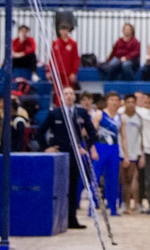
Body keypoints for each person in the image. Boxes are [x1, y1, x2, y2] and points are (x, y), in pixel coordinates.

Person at [36, 86, 97, 229]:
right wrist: (46, 148)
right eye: (66, 94)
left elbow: (92, 133)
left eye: (71, 94)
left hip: (74, 155)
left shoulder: (81, 113)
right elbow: (40, 132)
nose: (69, 96)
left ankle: (72, 219)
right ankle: (55, 218)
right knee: (57, 186)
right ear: (61, 97)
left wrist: (84, 147)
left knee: (73, 186)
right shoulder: (55, 113)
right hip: (59, 155)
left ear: (75, 97)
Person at [94, 92, 123, 216]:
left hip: (114, 149)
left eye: (116, 100)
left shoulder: (121, 117)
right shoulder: (100, 114)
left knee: (113, 179)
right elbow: (92, 134)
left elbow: (124, 137)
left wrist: (125, 154)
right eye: (112, 100)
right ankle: (93, 206)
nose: (114, 102)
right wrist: (92, 149)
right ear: (107, 101)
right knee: (95, 177)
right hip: (101, 147)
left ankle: (113, 207)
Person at [119, 94, 144, 215]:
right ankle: (124, 203)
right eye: (128, 102)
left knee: (131, 179)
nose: (130, 104)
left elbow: (141, 136)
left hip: (134, 152)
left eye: (132, 102)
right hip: (121, 152)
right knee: (122, 179)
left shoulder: (139, 118)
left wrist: (141, 153)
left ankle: (133, 204)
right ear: (124, 103)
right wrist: (124, 153)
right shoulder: (120, 117)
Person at [50, 22, 81, 95]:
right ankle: (58, 105)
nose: (64, 32)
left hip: (68, 72)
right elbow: (52, 58)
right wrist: (49, 70)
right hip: (58, 72)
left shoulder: (73, 43)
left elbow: (76, 58)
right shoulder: (55, 43)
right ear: (59, 31)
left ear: (68, 31)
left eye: (66, 30)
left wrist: (74, 72)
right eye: (62, 30)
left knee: (68, 91)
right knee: (58, 91)